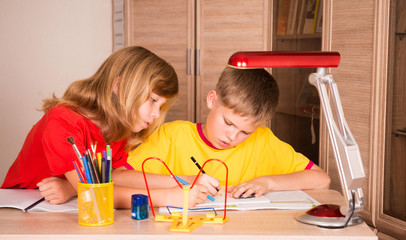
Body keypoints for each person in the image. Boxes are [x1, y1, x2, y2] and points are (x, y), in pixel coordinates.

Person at [1, 46, 211, 208]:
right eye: (153, 100)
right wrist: (169, 196)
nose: (156, 114)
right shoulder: (62, 121)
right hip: (24, 207)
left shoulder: (118, 126)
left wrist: (187, 180)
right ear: (118, 87)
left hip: (65, 206)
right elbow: (93, 193)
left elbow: (113, 175)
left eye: (161, 105)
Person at [112, 66, 330, 201]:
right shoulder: (172, 135)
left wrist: (267, 183)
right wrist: (181, 181)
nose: (232, 137)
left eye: (245, 131)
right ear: (212, 100)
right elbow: (118, 177)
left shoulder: (262, 140)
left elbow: (321, 179)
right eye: (228, 122)